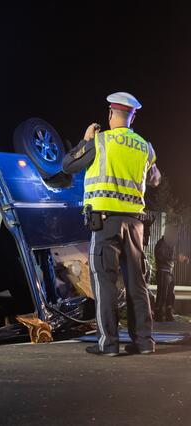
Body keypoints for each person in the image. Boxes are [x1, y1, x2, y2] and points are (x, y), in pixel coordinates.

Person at [62, 92, 161, 356]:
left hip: (105, 223)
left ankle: (109, 344)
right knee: (137, 284)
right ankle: (144, 343)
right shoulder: (145, 147)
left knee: (104, 283)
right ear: (133, 116)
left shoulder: (100, 142)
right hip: (136, 226)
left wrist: (85, 140)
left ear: (109, 114)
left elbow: (68, 165)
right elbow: (155, 179)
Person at [154, 225, 190, 322]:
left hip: (169, 271)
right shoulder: (161, 243)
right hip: (163, 272)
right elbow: (162, 257)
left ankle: (168, 314)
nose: (175, 237)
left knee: (171, 294)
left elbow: (170, 256)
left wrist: (179, 258)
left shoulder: (169, 244)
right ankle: (158, 316)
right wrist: (177, 258)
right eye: (173, 234)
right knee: (162, 295)